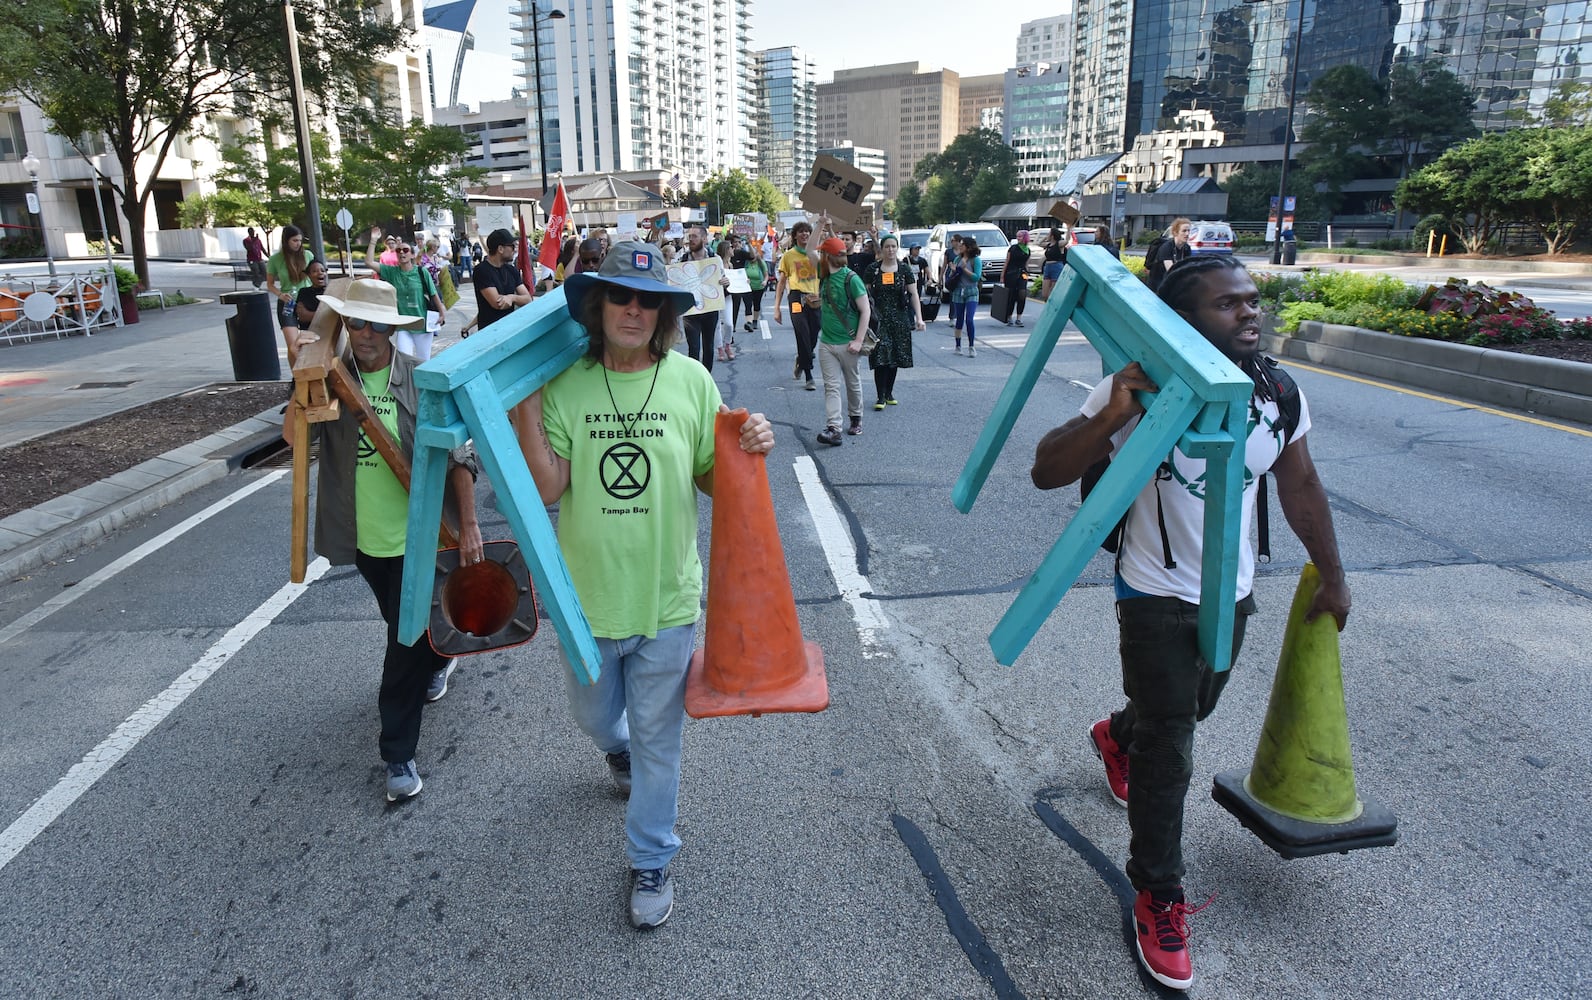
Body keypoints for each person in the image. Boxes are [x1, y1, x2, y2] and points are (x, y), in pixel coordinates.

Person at [1028, 256, 1349, 991]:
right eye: (1227, 304)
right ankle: (1159, 894)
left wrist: (1333, 574)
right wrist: (1114, 413)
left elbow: (1298, 482)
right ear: (1182, 320)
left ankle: (1117, 733)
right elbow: (1048, 470)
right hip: (1152, 593)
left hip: (1229, 593)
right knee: (1172, 745)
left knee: (1186, 708)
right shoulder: (1137, 387)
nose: (1249, 313)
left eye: (1252, 300)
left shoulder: (1276, 392)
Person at [509, 241, 775, 930]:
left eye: (648, 299)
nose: (634, 309)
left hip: (667, 601)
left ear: (664, 314)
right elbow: (547, 487)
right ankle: (613, 748)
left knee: (662, 742)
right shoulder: (567, 384)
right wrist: (524, 412)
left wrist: (748, 450)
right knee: (596, 718)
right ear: (597, 307)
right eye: (621, 296)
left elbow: (713, 481)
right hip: (586, 601)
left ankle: (652, 854)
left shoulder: (691, 382)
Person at [282, 279, 483, 803]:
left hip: (421, 537)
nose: (364, 334)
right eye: (354, 322)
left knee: (404, 640)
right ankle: (439, 659)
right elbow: (292, 439)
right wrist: (305, 372)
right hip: (365, 540)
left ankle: (397, 752)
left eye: (374, 324)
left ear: (392, 330)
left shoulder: (421, 379)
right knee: (403, 625)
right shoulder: (330, 379)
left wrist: (470, 526)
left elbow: (460, 456)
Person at [813, 233, 870, 445]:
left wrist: (858, 341)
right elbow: (809, 251)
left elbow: (866, 311)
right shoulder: (824, 273)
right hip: (826, 342)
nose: (818, 255)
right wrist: (819, 226)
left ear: (828, 256)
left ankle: (856, 418)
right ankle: (833, 428)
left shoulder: (851, 279)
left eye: (822, 253)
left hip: (848, 342)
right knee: (831, 386)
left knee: (852, 382)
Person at [863, 233, 924, 410]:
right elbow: (864, 296)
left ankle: (889, 392)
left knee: (894, 358)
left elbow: (914, 294)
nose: (890, 250)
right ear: (881, 249)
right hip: (878, 320)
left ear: (897, 248)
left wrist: (919, 318)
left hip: (899, 319)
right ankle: (880, 396)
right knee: (880, 356)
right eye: (887, 246)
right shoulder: (873, 269)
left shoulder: (904, 269)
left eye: (893, 246)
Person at [373, 240, 446, 362]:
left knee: (423, 361)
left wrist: (442, 313)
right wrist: (373, 240)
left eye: (405, 250)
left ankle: (422, 381)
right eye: (398, 250)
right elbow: (369, 262)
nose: (402, 252)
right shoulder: (392, 272)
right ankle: (409, 381)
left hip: (422, 324)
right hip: (403, 325)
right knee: (404, 360)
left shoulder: (421, 272)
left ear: (412, 255)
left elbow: (433, 294)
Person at [773, 219, 820, 391]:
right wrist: (777, 308)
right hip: (796, 298)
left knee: (814, 333)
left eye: (807, 231)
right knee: (802, 333)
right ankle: (809, 375)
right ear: (795, 236)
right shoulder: (788, 256)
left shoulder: (816, 254)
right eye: (801, 232)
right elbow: (781, 282)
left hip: (814, 298)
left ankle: (801, 360)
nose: (805, 234)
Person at [264, 224, 317, 364]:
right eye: (294, 240)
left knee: (311, 340)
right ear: (286, 241)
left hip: (306, 301)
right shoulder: (275, 259)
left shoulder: (308, 255)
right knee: (293, 345)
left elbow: (317, 274)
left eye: (300, 240)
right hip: (287, 303)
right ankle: (296, 377)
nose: (298, 244)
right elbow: (269, 284)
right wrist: (280, 294)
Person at [675, 225, 722, 372]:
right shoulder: (682, 259)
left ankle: (706, 378)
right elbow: (675, 278)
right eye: (689, 237)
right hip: (691, 310)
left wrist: (725, 282)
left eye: (694, 236)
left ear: (704, 238)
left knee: (708, 347)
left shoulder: (715, 259)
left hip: (710, 308)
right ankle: (694, 379)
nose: (691, 240)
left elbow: (722, 279)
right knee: (693, 348)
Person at [472, 228, 533, 332]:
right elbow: (497, 303)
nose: (514, 250)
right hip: (490, 332)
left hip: (510, 329)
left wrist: (512, 297)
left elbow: (528, 299)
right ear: (500, 249)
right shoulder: (482, 270)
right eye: (512, 246)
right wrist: (517, 299)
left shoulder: (511, 270)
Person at [948, 236, 983, 356]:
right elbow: (953, 277)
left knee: (969, 319)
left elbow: (976, 277)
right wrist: (953, 270)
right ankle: (958, 346)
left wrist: (964, 269)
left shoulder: (975, 260)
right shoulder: (958, 259)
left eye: (962, 245)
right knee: (959, 320)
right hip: (958, 291)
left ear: (968, 247)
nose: (959, 246)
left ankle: (971, 346)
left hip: (971, 291)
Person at [1146, 218, 1192, 293]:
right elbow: (1171, 270)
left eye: (1188, 231)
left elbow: (1188, 267)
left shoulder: (1186, 248)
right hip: (1157, 286)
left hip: (1172, 285)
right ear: (1175, 232)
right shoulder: (1166, 247)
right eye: (1184, 231)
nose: (1187, 234)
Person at [733, 235, 768, 335]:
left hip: (758, 287)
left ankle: (755, 321)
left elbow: (766, 275)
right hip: (747, 287)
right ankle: (749, 322)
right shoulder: (746, 262)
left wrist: (765, 281)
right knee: (748, 305)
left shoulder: (761, 263)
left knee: (756, 305)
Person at [1002, 230, 1033, 327]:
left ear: (1025, 238)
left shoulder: (1028, 250)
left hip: (1022, 274)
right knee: (1011, 295)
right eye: (1017, 237)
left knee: (1022, 294)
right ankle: (1009, 316)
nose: (1018, 238)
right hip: (1011, 273)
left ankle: (1019, 318)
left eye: (1020, 237)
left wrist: (1028, 274)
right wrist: (1002, 275)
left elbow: (1026, 264)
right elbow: (1007, 262)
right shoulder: (1013, 248)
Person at [292, 260, 330, 327]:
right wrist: (328, 316)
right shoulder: (304, 292)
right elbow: (303, 316)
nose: (320, 273)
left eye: (323, 271)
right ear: (308, 275)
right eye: (315, 271)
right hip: (309, 332)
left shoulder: (332, 290)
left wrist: (312, 315)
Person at [1041, 227, 1067, 301]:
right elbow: (1039, 243)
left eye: (1049, 234)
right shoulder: (1049, 245)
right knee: (1045, 294)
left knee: (1052, 292)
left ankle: (1050, 308)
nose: (1048, 235)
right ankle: (1047, 304)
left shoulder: (1059, 244)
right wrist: (1045, 238)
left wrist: (1069, 229)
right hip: (1047, 267)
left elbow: (1066, 241)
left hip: (1056, 266)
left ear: (1052, 235)